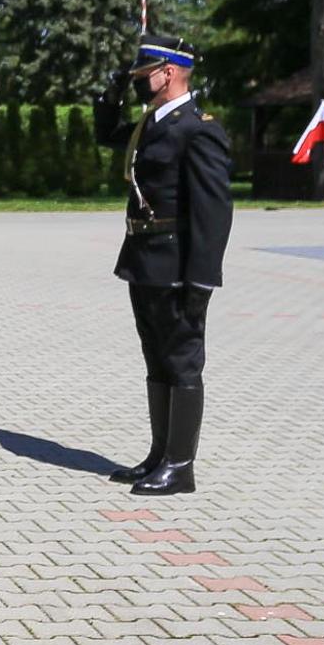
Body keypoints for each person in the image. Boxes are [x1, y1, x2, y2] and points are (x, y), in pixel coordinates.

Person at [94, 35, 233, 497]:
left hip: (177, 265)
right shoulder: (152, 124)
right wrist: (109, 95)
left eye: (141, 75)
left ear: (168, 73)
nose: (137, 83)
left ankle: (180, 465)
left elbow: (214, 213)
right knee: (157, 360)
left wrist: (201, 279)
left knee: (183, 362)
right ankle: (159, 455)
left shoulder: (198, 128)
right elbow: (105, 133)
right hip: (145, 261)